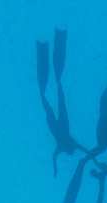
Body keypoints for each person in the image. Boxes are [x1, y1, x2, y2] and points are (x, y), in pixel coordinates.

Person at [37, 28, 86, 178]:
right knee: (53, 92)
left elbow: (82, 149)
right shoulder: (65, 145)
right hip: (60, 123)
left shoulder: (63, 146)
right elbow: (84, 149)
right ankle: (53, 41)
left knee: (53, 93)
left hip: (57, 123)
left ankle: (47, 44)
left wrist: (55, 170)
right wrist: (55, 169)